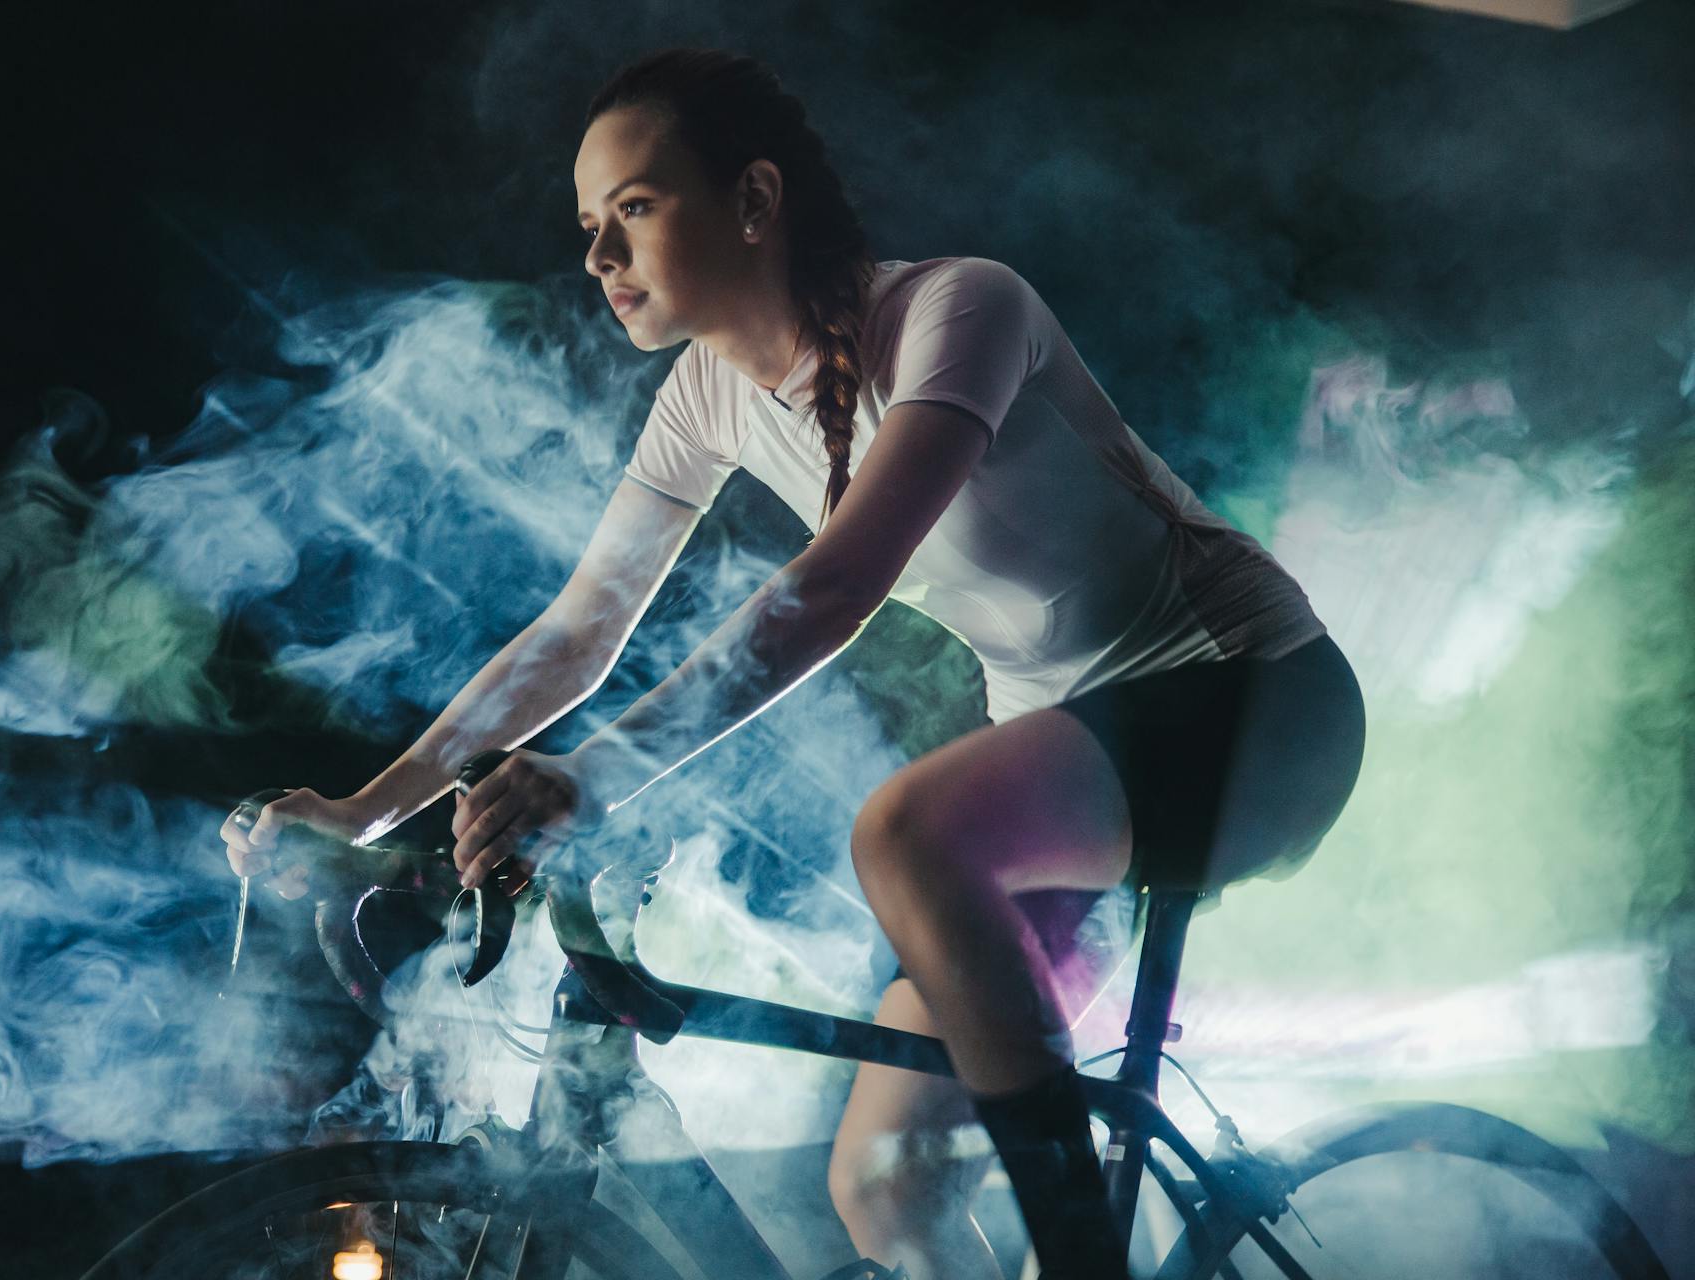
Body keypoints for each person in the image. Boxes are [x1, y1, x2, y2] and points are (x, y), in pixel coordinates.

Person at [218, 46, 1366, 1280]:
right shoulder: (703, 399)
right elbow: (577, 630)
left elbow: (834, 586)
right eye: (590, 227)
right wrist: (366, 804)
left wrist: (589, 777)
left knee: (908, 834)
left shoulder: (959, 310)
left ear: (755, 201)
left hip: (1255, 703)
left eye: (636, 211)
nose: (599, 257)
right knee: (886, 1187)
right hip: (1073, 770)